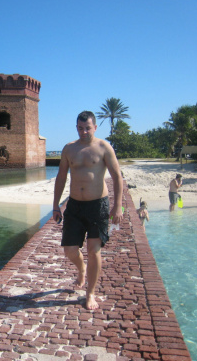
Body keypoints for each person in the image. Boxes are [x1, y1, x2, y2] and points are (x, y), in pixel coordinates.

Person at [53, 111, 123, 310]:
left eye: (88, 128)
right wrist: (55, 205)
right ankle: (81, 268)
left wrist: (118, 205)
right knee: (70, 250)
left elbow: (117, 176)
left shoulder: (103, 147)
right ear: (77, 128)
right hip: (74, 206)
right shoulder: (69, 149)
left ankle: (90, 294)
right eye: (80, 128)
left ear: (95, 128)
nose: (84, 132)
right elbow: (61, 177)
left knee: (94, 250)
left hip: (97, 205)